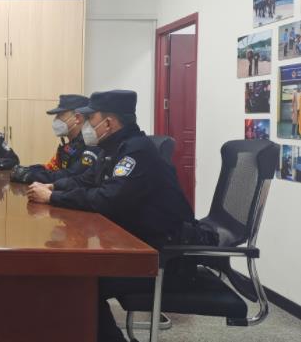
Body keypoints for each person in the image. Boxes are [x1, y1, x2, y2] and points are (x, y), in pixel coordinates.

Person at [25, 90, 210, 342]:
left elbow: (107, 199)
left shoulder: (136, 152)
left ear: (108, 123)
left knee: (79, 284)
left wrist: (53, 198)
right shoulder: (112, 149)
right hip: (136, 246)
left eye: (91, 119)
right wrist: (54, 186)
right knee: (73, 278)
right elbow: (85, 180)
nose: (87, 125)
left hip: (162, 257)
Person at [10, 94, 100, 184]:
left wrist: (30, 175)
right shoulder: (69, 145)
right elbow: (52, 168)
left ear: (77, 118)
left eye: (60, 115)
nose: (56, 120)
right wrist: (29, 169)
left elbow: (71, 175)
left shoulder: (90, 145)